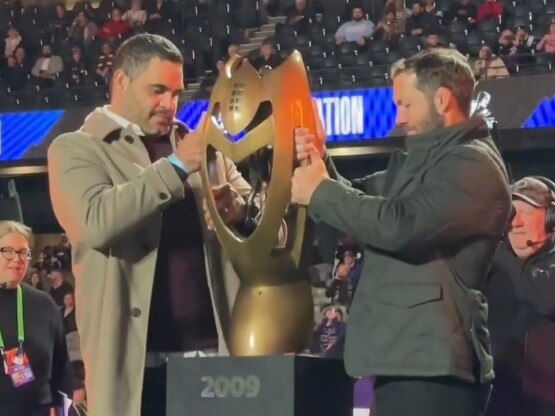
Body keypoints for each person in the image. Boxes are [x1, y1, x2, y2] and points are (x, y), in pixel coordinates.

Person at [291, 48, 511, 416]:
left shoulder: (474, 164)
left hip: (434, 372)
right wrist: (319, 159)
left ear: (441, 99)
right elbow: (360, 203)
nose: (399, 117)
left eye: (406, 105)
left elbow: (400, 225)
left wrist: (320, 190)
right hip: (408, 361)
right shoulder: (419, 161)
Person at [47, 33, 251, 416]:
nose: (169, 104)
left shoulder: (199, 145)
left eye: (176, 93)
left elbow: (252, 211)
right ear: (121, 81)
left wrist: (237, 208)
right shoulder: (76, 148)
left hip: (211, 353)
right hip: (134, 362)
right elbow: (95, 222)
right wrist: (174, 168)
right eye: (158, 90)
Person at [486, 176, 555, 416]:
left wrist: (504, 254)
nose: (515, 223)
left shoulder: (503, 259)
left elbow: (547, 297)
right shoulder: (491, 266)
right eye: (511, 213)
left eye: (526, 211)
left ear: (550, 218)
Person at [0, 221, 72, 416]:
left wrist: (61, 406)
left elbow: (61, 363)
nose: (17, 259)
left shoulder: (43, 303)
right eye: (8, 251)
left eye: (24, 252)